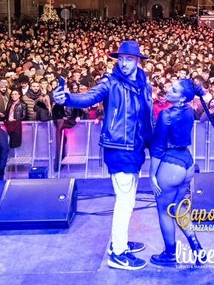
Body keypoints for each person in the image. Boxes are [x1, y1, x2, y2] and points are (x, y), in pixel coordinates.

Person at [53, 40, 154, 271]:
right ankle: (118, 253)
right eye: (122, 59)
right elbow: (89, 97)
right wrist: (66, 98)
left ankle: (119, 243)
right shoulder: (111, 82)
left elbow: (145, 118)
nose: (125, 63)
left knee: (127, 199)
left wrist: (151, 143)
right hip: (118, 148)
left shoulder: (143, 85)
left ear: (138, 61)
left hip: (136, 148)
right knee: (125, 201)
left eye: (130, 59)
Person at [148, 78, 203, 267]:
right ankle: (197, 248)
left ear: (182, 99)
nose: (168, 90)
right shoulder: (189, 111)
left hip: (170, 165)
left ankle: (170, 254)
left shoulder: (166, 115)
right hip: (187, 163)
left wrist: (152, 174)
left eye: (174, 90)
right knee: (179, 208)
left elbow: (158, 147)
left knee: (164, 210)